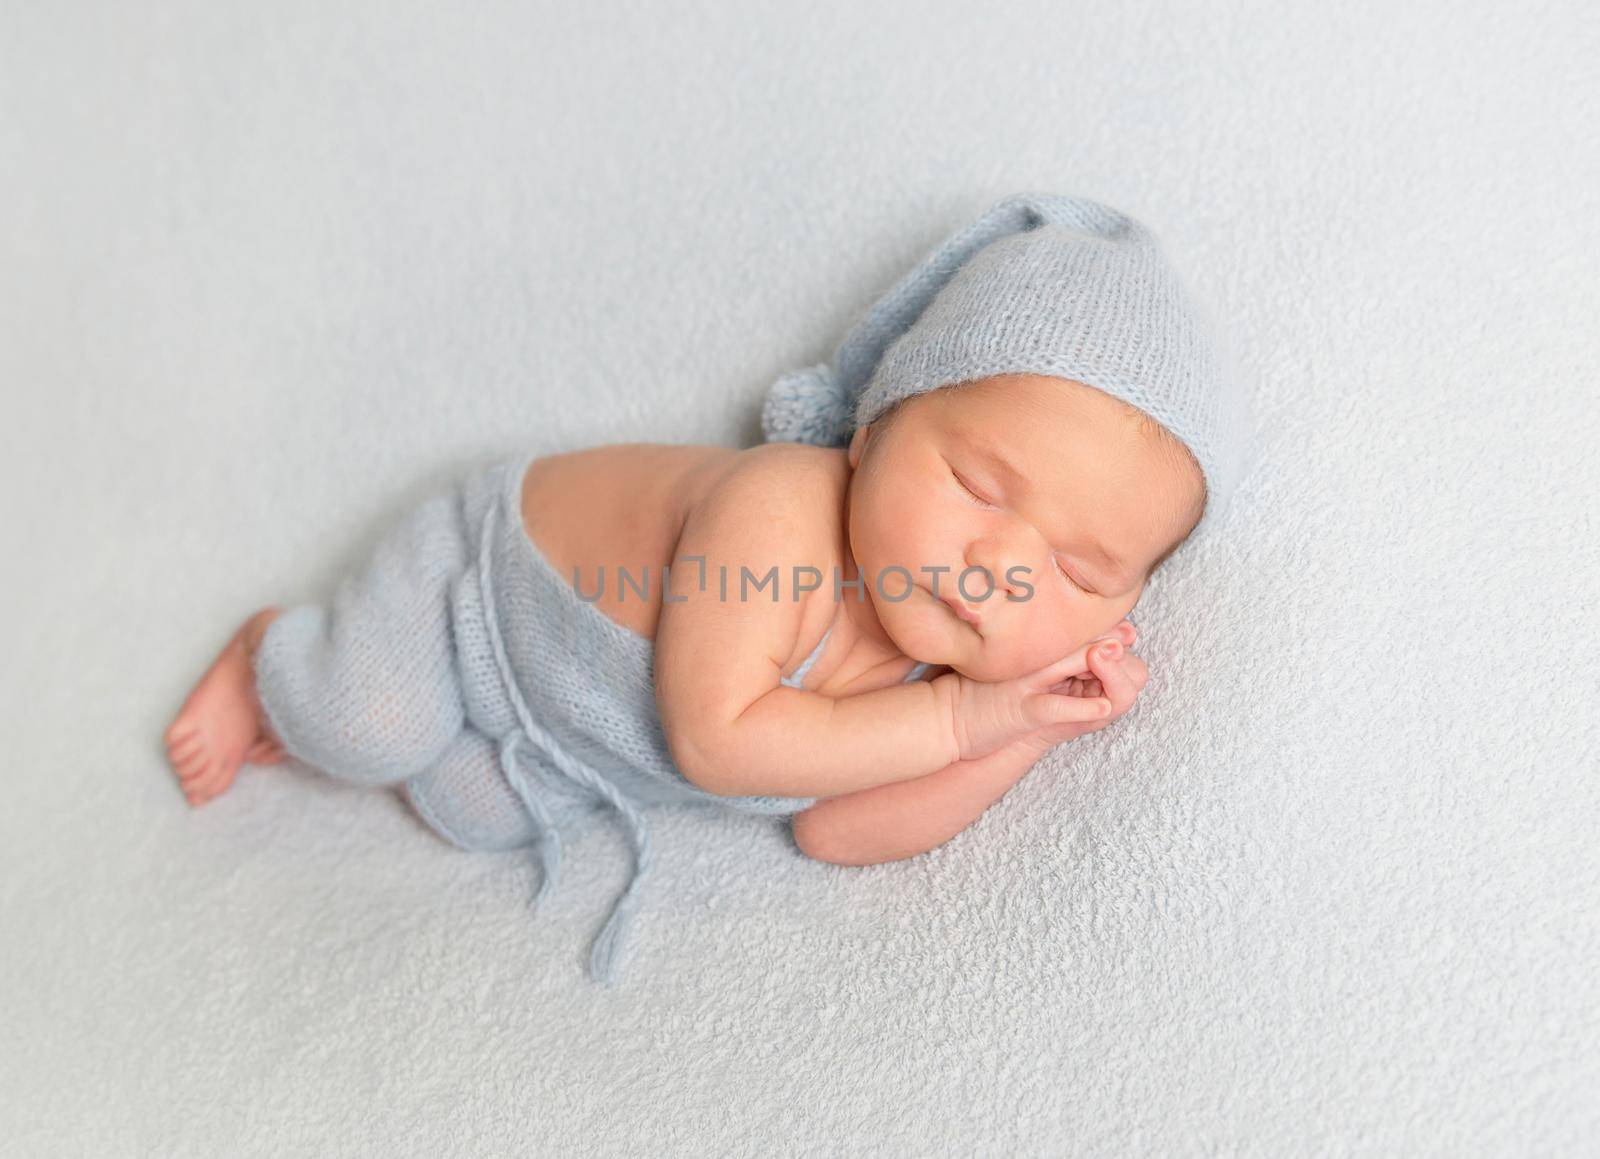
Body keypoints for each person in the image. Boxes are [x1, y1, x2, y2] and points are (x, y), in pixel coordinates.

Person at [163, 192, 1250, 985]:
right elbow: (720, 743)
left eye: (1077, 570)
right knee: (369, 725)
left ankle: (401, 710)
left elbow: (836, 832)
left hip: (563, 722)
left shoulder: (952, 664)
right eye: (974, 484)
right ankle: (274, 652)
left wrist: (1018, 729)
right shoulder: (781, 510)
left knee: (469, 811)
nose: (1000, 569)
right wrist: (964, 711)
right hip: (478, 585)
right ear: (874, 427)